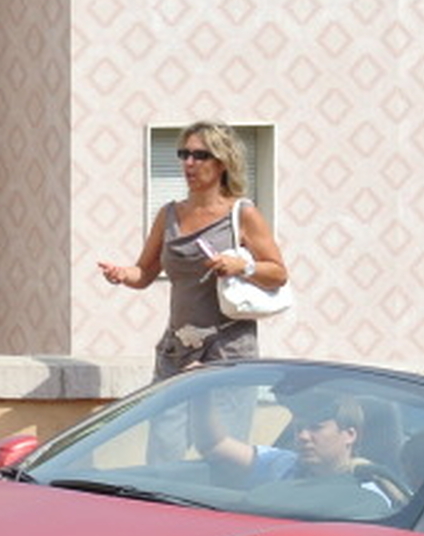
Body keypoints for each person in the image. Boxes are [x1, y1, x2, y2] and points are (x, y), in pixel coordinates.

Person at [97, 121, 290, 380]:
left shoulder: (243, 214)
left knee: (222, 424)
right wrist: (121, 274)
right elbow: (144, 273)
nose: (189, 163)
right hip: (176, 349)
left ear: (222, 162)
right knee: (165, 422)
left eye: (200, 156)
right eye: (184, 154)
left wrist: (243, 266)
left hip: (226, 351)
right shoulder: (169, 215)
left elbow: (278, 273)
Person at [193, 392, 390, 509]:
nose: (302, 436)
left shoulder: (369, 496)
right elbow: (214, 445)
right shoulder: (283, 464)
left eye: (315, 427)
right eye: (298, 429)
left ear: (349, 435)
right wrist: (200, 393)